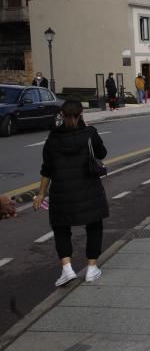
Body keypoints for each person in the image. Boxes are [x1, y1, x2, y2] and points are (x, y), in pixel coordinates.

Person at [32, 99, 109, 286]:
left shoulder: (53, 138)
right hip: (89, 188)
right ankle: (91, 268)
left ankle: (67, 269)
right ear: (81, 114)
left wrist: (41, 193)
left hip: (62, 191)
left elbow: (47, 169)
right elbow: (102, 154)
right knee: (94, 226)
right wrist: (90, 130)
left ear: (61, 115)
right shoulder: (90, 134)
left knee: (61, 228)